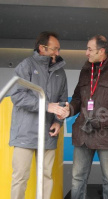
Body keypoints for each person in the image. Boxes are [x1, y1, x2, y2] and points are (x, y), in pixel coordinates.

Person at [67, 35, 108, 199]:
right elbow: (76, 99)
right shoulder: (85, 70)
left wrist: (100, 121)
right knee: (77, 179)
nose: (86, 53)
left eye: (90, 49)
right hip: (83, 132)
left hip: (107, 135)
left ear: (101, 51)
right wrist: (69, 110)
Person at [9, 31, 69, 199]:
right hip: (25, 133)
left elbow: (62, 101)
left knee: (46, 177)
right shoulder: (26, 66)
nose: (57, 53)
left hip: (48, 133)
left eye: (58, 49)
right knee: (20, 177)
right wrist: (46, 105)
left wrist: (58, 122)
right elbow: (17, 96)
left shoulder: (60, 72)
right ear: (42, 48)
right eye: (54, 49)